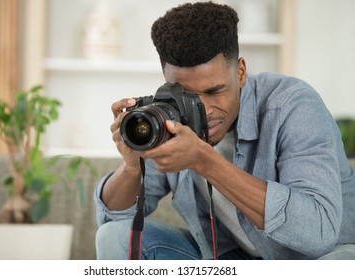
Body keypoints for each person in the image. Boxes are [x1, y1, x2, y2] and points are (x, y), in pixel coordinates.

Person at [94, 2, 355, 260]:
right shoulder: (168, 117)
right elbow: (110, 219)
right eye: (187, 94)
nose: (204, 109)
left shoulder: (293, 105)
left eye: (214, 91)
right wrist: (131, 166)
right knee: (115, 236)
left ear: (240, 72)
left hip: (315, 259)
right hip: (230, 259)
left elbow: (318, 233)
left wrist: (204, 161)